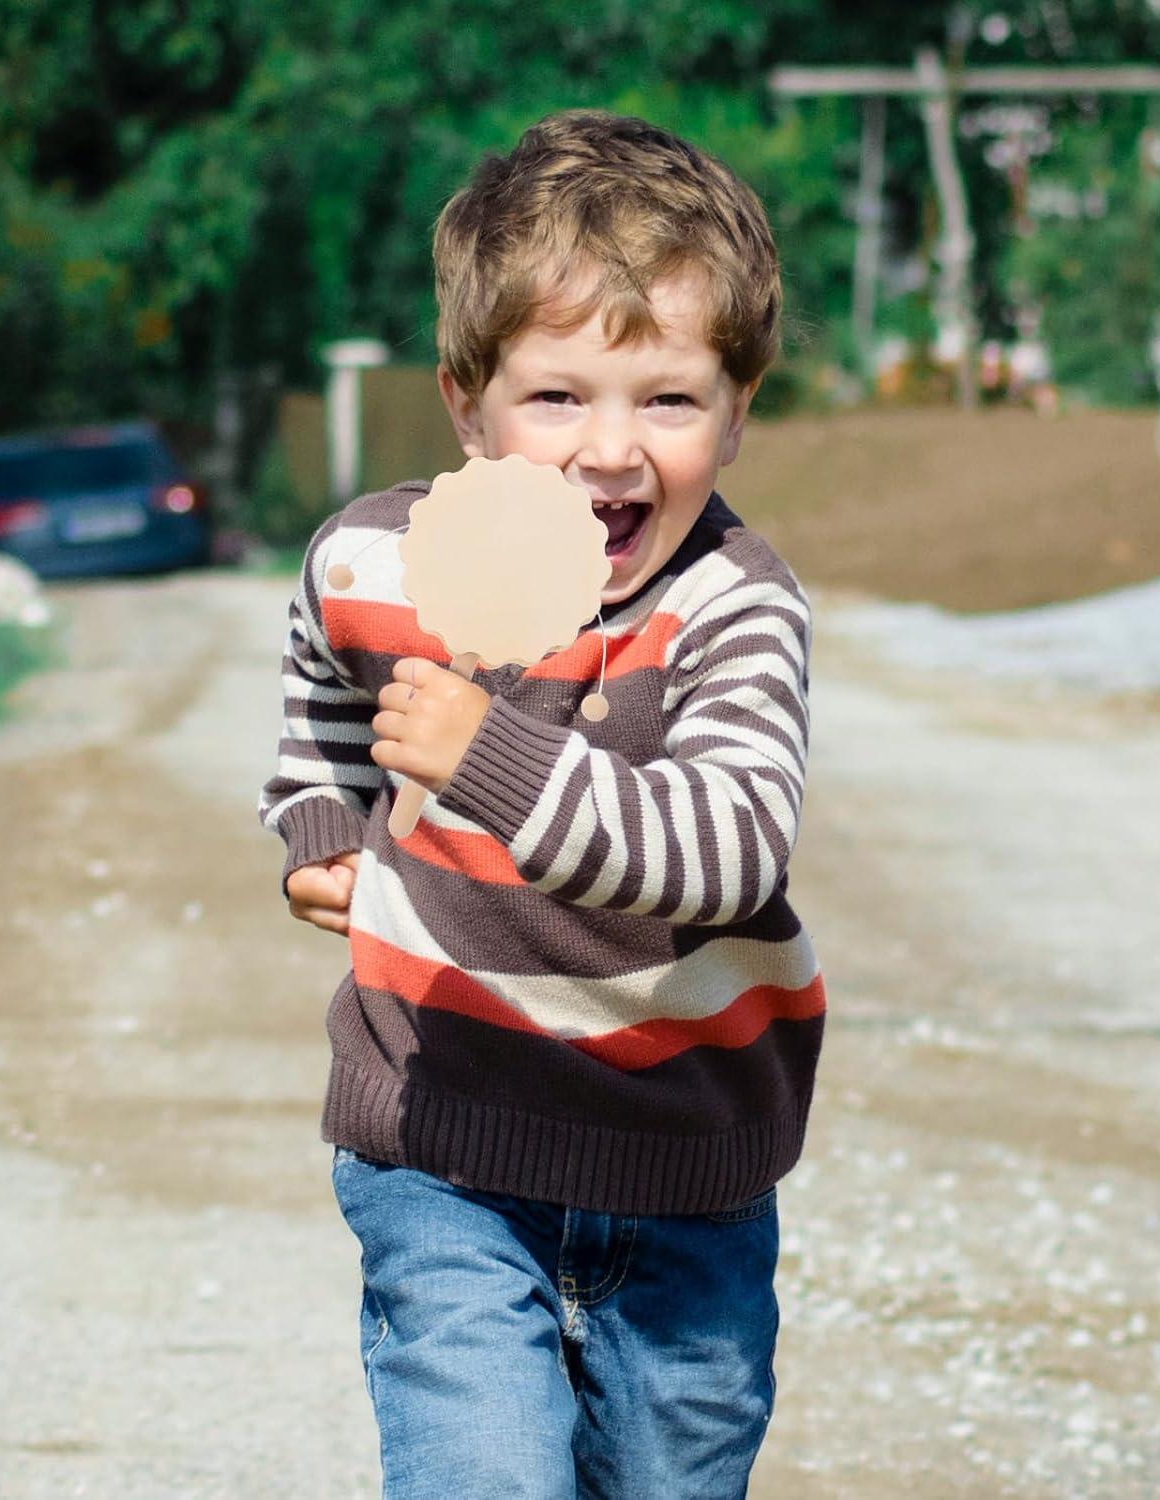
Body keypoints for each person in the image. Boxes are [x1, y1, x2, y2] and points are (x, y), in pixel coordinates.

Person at [258, 109, 825, 1499]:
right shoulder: (379, 557)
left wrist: (486, 763)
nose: (610, 449)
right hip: (440, 1141)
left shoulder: (731, 611)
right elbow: (323, 682)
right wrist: (323, 828)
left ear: (739, 407)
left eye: (671, 399)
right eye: (558, 396)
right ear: (468, 399)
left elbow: (728, 847)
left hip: (682, 1168)